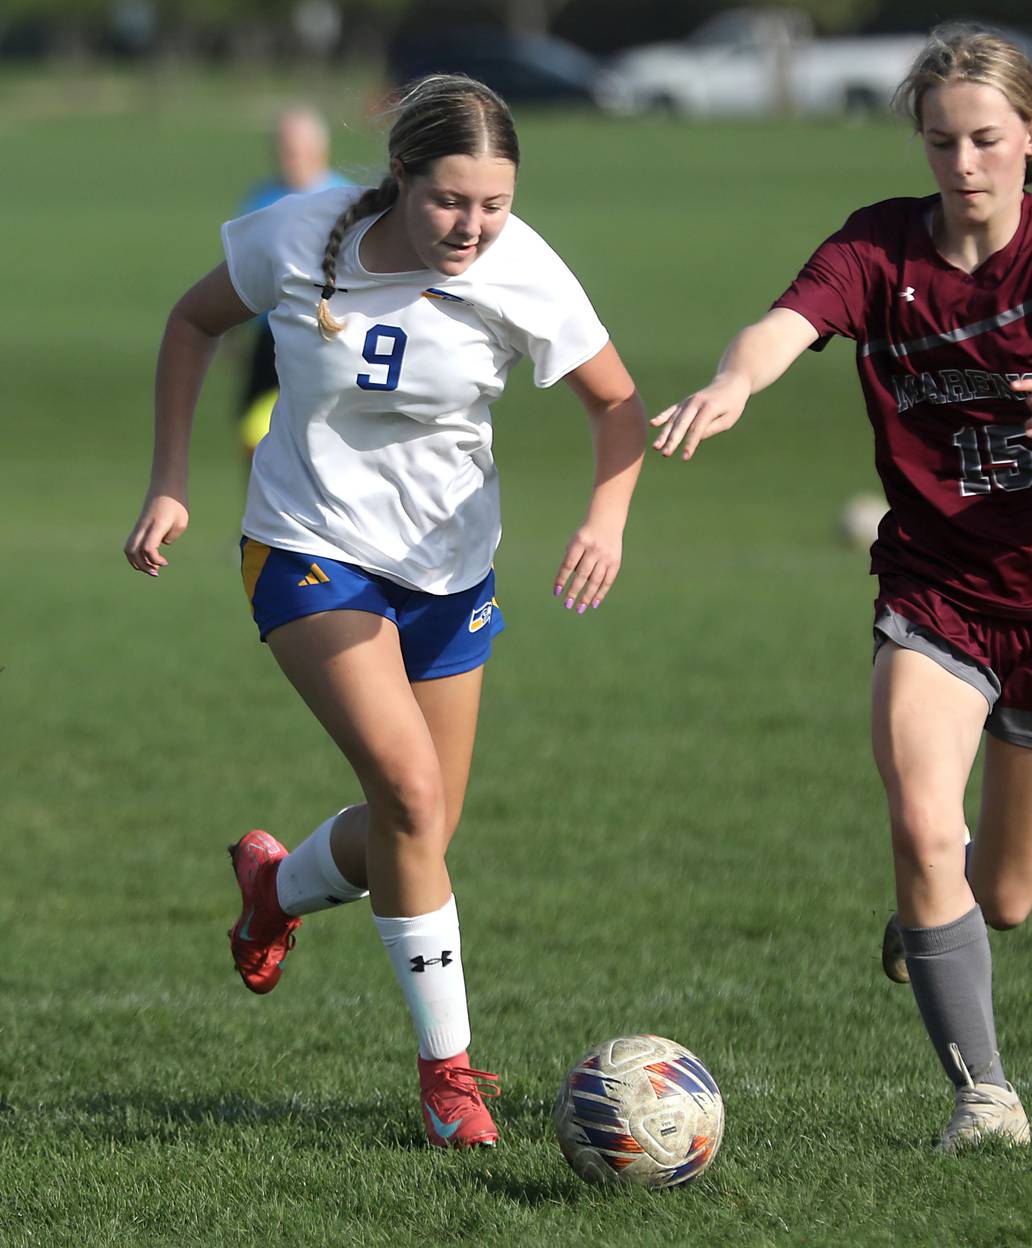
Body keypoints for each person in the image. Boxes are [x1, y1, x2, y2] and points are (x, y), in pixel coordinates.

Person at [651, 24, 1032, 1151]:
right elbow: (783, 325)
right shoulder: (881, 250)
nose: (964, 164)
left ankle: (933, 918)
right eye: (942, 141)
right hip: (936, 587)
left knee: (1000, 896)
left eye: (988, 140)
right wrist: (734, 381)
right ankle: (984, 1097)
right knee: (917, 820)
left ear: (1031, 136)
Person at [124, 74, 647, 1149]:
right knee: (408, 793)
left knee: (423, 831)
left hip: (451, 574)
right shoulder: (299, 232)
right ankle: (447, 1077)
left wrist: (607, 516)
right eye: (452, 201)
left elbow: (618, 405)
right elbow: (190, 323)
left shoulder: (523, 269)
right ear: (400, 177)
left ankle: (277, 885)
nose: (474, 226)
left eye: (495, 204)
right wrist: (170, 479)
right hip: (307, 550)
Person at [236, 108, 351, 459]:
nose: (288, 159)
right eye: (282, 149)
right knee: (255, 434)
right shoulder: (261, 199)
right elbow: (239, 272)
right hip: (268, 336)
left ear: (320, 151)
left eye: (296, 150)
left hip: (322, 335)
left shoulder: (347, 201)